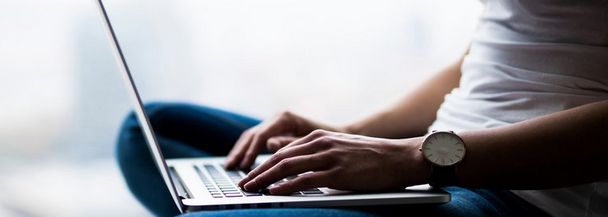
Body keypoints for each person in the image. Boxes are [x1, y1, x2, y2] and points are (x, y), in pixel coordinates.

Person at [116, 0, 608, 216]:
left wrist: (413, 158)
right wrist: (351, 133)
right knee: (153, 130)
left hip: (524, 192)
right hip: (430, 157)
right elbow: (480, 56)